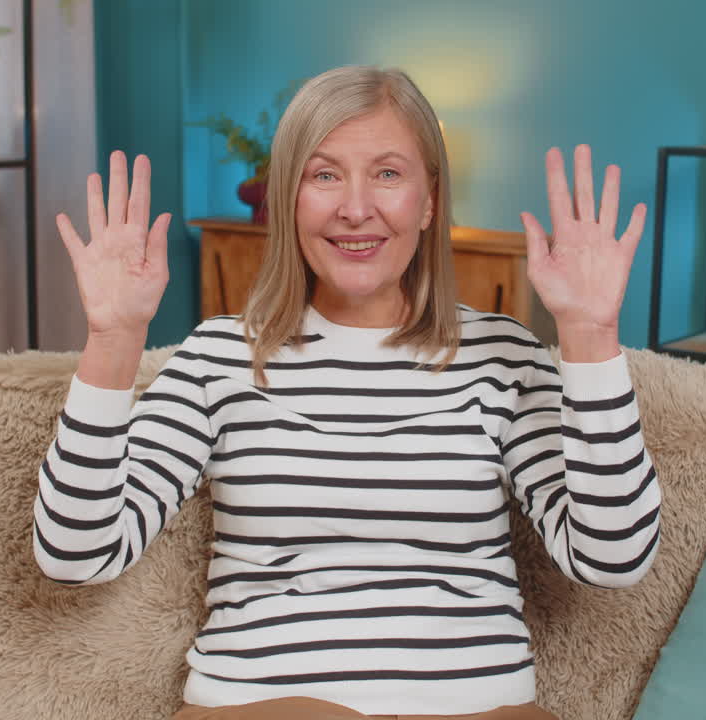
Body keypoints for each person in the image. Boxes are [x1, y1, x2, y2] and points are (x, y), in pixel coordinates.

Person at [34, 65, 661, 720]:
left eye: (387, 173)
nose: (354, 207)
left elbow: (612, 558)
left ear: (428, 201)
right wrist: (112, 338)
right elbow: (77, 554)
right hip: (265, 706)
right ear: (288, 198)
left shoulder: (502, 357)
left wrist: (592, 334)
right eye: (323, 174)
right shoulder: (221, 356)